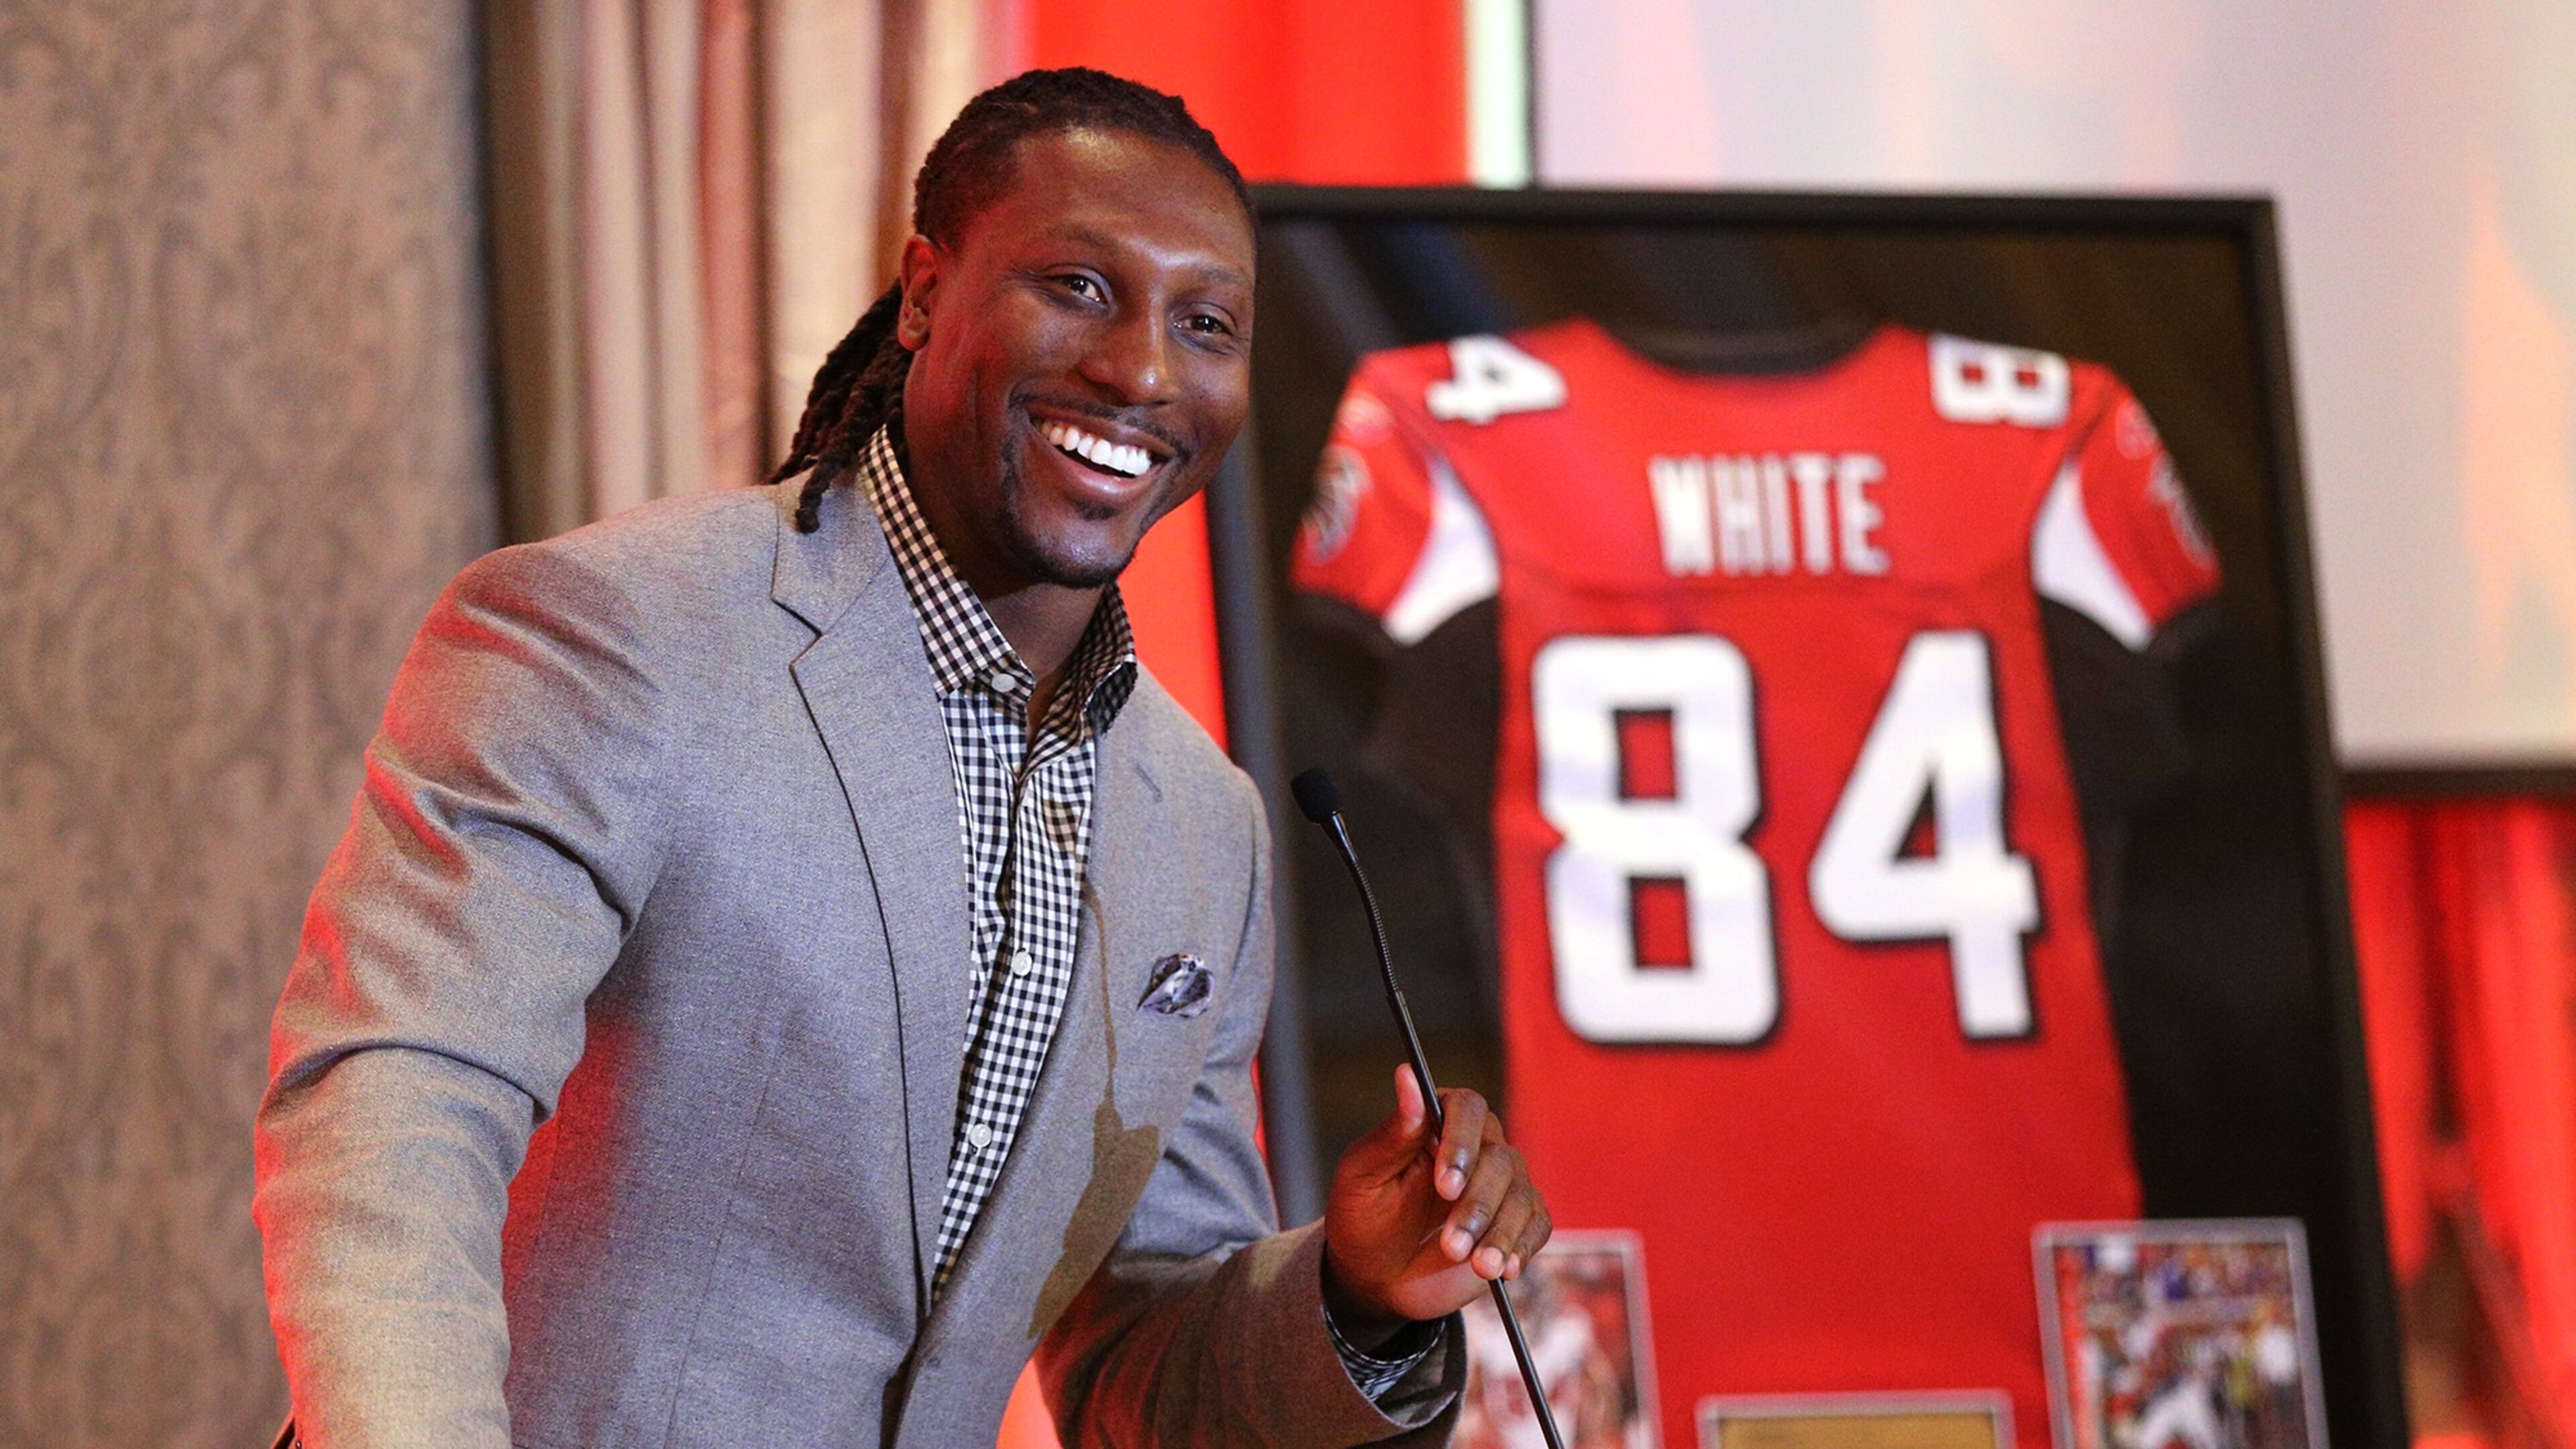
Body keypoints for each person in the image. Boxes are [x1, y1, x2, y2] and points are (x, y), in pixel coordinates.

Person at [254, 67, 1549, 1449]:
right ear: (927, 291)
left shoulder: (1204, 828)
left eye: (1207, 323)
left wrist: (1357, 1292)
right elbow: (395, 1111)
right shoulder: (617, 633)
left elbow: (1139, 1366)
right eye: (1079, 287)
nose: (1145, 371)